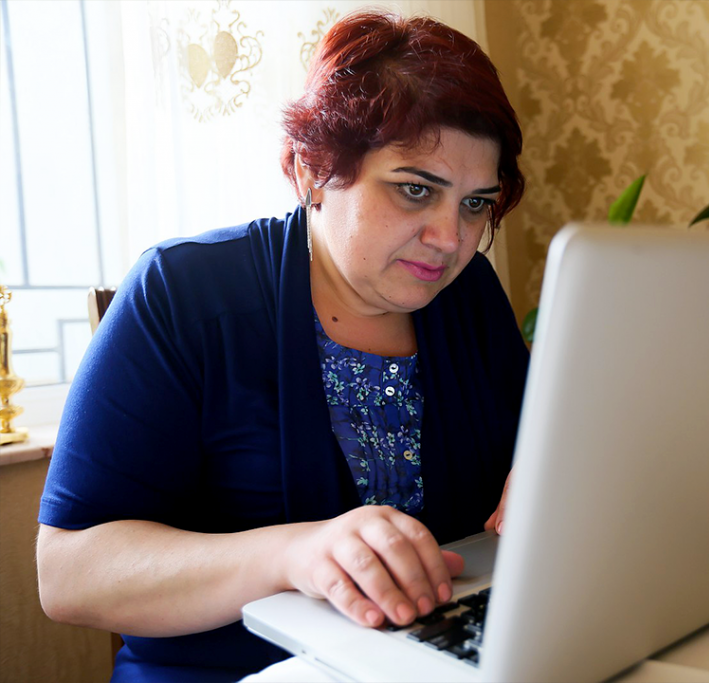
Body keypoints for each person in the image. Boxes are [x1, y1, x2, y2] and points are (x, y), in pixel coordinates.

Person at [35, 11, 528, 682]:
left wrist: (541, 479)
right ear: (311, 170)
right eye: (416, 190)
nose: (450, 238)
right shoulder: (182, 293)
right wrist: (291, 553)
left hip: (429, 660)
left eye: (476, 205)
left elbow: (530, 453)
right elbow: (68, 574)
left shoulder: (469, 297)